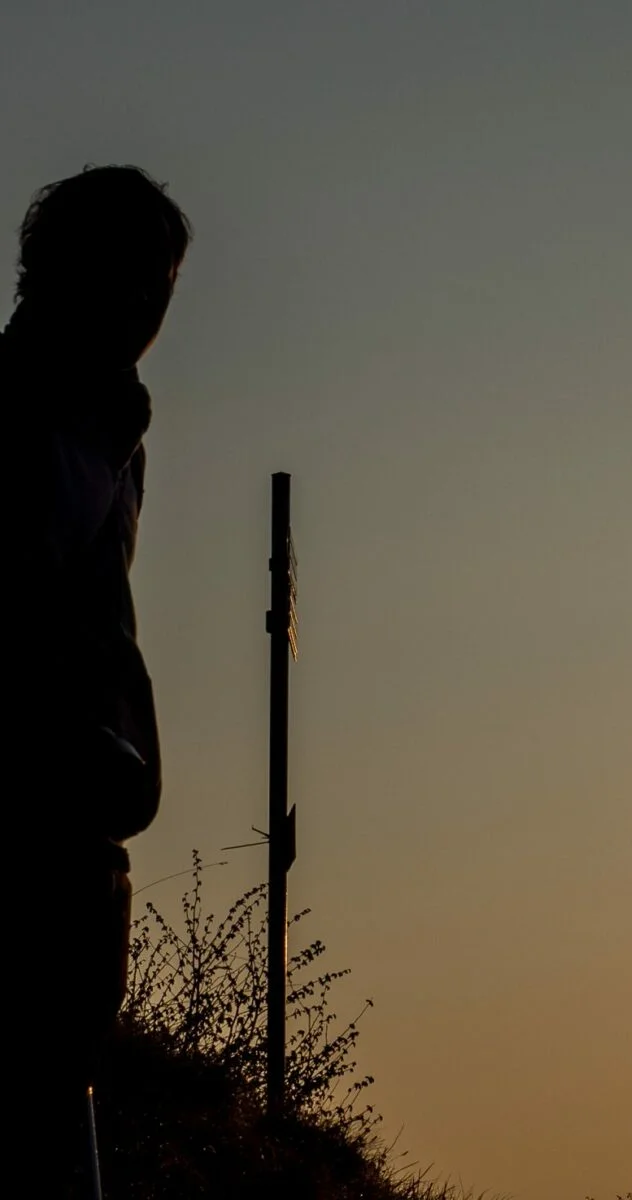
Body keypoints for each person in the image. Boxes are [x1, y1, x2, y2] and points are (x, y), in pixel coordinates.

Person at [2, 164, 191, 1193]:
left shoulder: (117, 436)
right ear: (59, 271)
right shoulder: (13, 417)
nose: (148, 303)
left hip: (80, 842)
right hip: (17, 832)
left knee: (58, 1096)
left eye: (160, 280)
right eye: (131, 274)